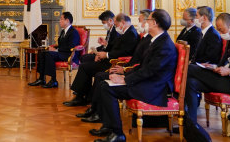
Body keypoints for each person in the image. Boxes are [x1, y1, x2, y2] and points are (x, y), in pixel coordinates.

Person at [90, 9, 177, 142]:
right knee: (104, 84)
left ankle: (117, 133)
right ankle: (108, 127)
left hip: (154, 88)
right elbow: (142, 67)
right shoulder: (156, 40)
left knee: (107, 88)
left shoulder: (164, 44)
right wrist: (125, 74)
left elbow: (149, 71)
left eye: (148, 20)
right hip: (147, 82)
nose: (145, 23)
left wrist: (125, 79)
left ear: (154, 23)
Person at [78, 10, 152, 123]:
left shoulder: (134, 34)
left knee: (99, 77)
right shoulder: (137, 36)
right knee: (97, 74)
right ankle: (94, 109)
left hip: (124, 67)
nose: (139, 24)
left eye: (140, 21)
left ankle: (97, 112)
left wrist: (124, 71)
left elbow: (132, 57)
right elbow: (121, 50)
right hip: (125, 66)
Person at [64, 13, 138, 106]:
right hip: (110, 60)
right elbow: (115, 46)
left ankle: (81, 97)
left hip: (113, 63)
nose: (115, 27)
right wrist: (105, 46)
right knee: (85, 66)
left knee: (84, 67)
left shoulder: (130, 33)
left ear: (122, 23)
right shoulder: (126, 32)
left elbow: (124, 52)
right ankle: (83, 95)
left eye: (116, 25)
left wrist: (106, 54)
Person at [28, 11, 80, 88]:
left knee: (49, 54)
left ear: (67, 21)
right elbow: (61, 44)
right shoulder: (63, 31)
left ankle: (54, 80)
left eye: (61, 19)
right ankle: (41, 78)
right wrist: (54, 48)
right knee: (42, 53)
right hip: (62, 53)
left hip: (69, 54)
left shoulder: (73, 32)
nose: (59, 21)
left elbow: (71, 47)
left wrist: (56, 50)